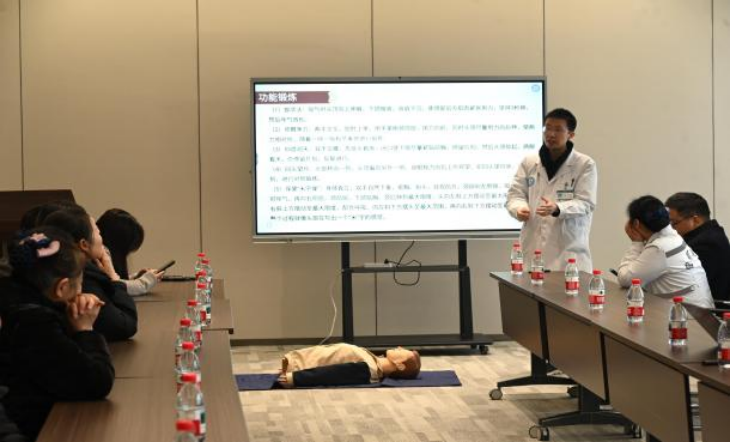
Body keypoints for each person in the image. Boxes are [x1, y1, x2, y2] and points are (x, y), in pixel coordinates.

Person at [0, 228, 114, 440]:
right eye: (79, 283)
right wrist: (85, 329)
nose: (81, 290)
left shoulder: (16, 299)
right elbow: (96, 382)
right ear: (62, 288)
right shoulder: (34, 322)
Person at [506, 108, 598, 273]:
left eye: (558, 130)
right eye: (547, 128)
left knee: (568, 288)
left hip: (568, 252)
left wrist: (558, 208)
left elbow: (586, 203)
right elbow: (515, 194)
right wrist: (519, 208)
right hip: (532, 250)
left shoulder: (584, 164)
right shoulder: (530, 162)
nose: (551, 134)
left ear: (570, 134)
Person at [43, 207, 138, 341]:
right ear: (84, 244)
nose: (102, 240)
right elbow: (124, 326)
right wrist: (114, 278)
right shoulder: (84, 276)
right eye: (98, 233)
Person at [617, 195, 714, 308]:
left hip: (687, 315)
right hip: (701, 312)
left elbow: (625, 279)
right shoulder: (673, 238)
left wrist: (636, 243)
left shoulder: (660, 248)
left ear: (635, 224)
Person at [665, 192, 730, 301]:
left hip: (709, 308)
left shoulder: (707, 243)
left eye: (674, 223)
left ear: (696, 220)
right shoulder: (709, 234)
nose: (671, 228)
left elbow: (683, 283)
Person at [278, 343, 421, 388]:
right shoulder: (372, 361)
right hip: (299, 361)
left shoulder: (368, 369)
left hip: (298, 367)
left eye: (403, 351)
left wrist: (295, 378)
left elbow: (332, 374)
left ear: (400, 366)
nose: (399, 347)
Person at [96, 208, 163, 296]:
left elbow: (115, 281)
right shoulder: (99, 255)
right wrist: (145, 282)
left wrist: (136, 278)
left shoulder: (101, 252)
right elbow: (114, 286)